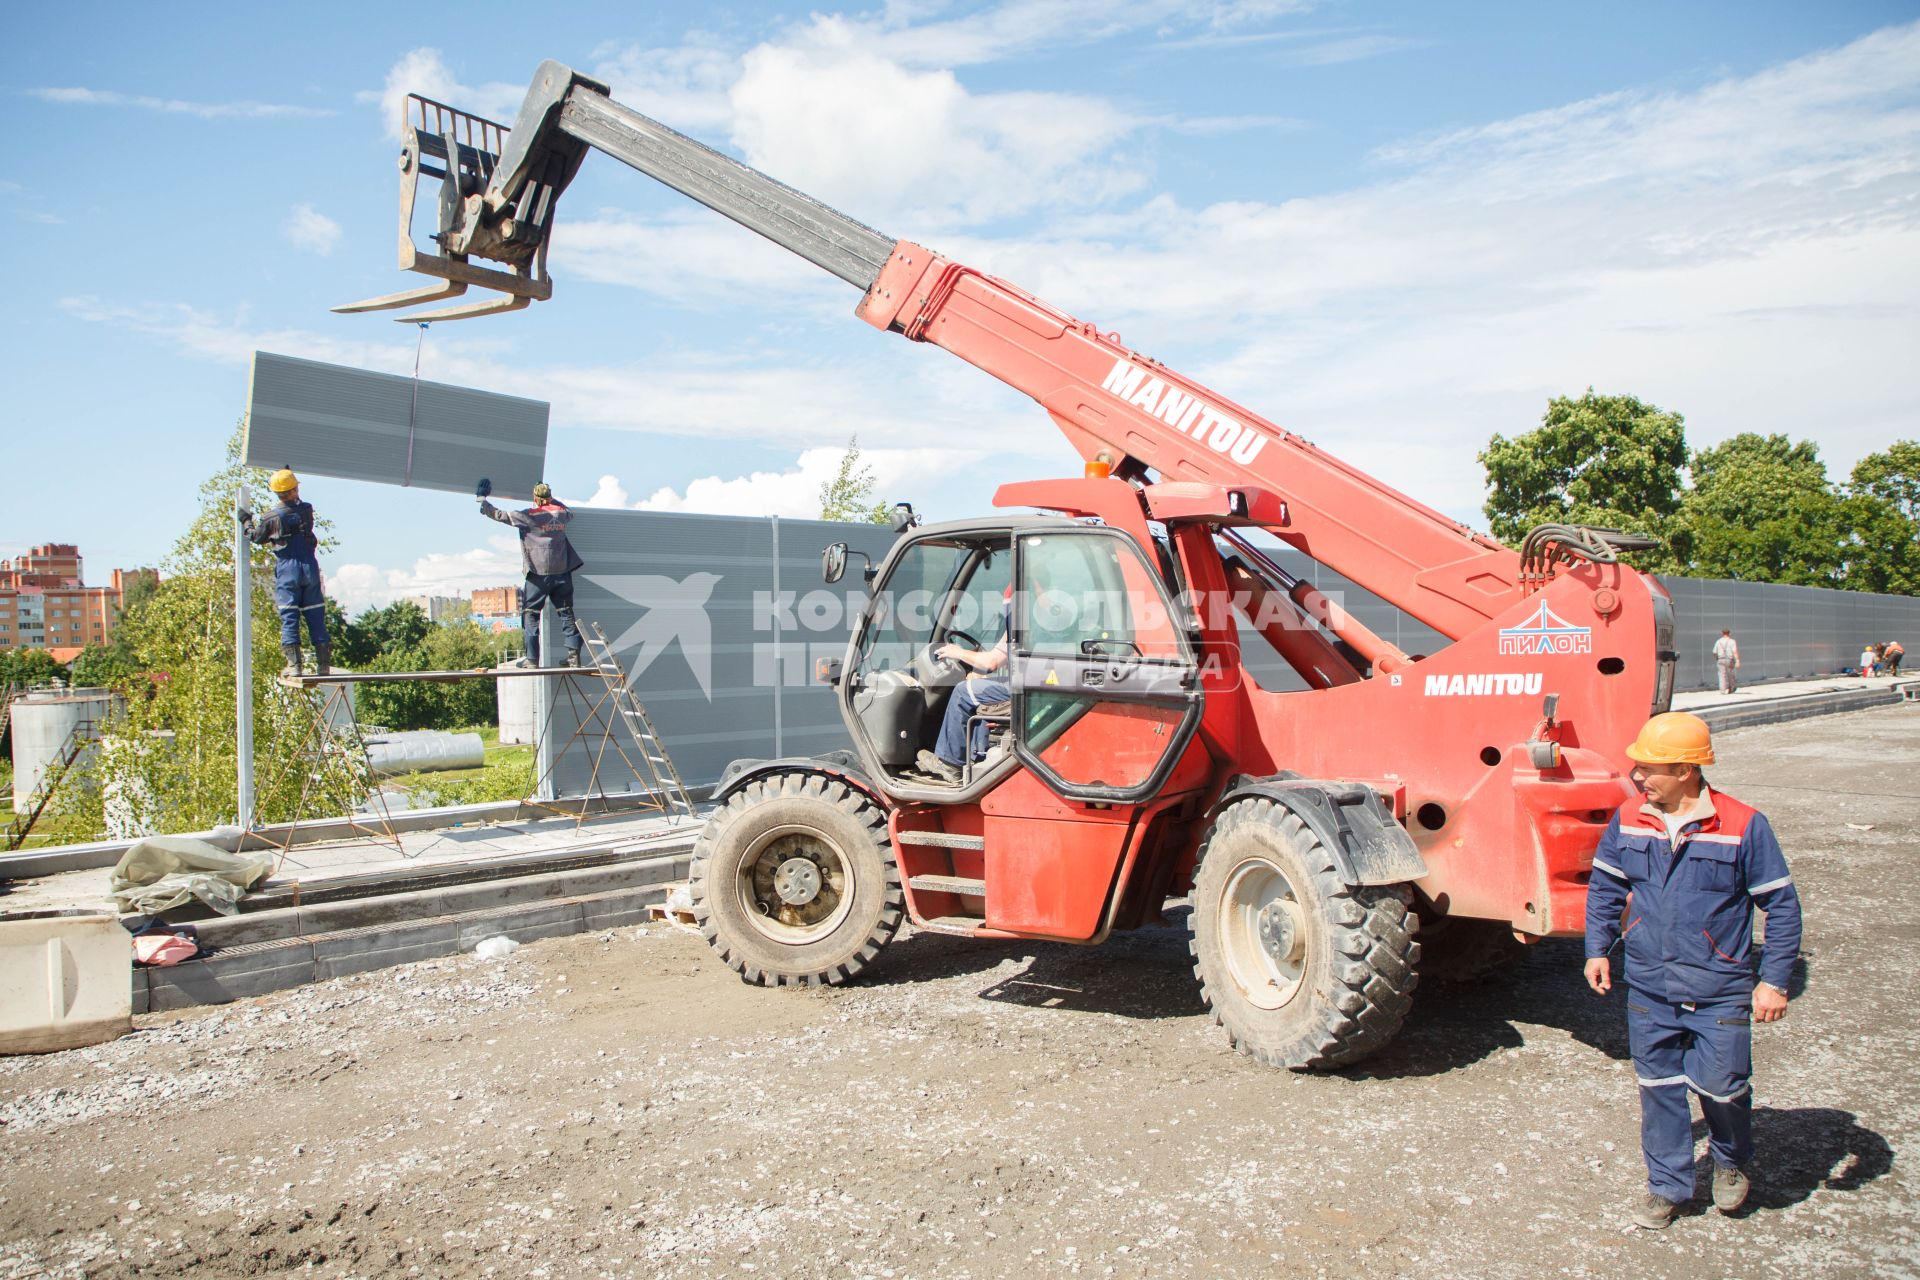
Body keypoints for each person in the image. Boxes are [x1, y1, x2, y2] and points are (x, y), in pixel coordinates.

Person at [1584, 711, 1803, 1231]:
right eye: (1638, 766)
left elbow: (1782, 906)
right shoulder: (1629, 818)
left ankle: (1729, 1161)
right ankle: (1668, 1186)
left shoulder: (1744, 825)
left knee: (1723, 1088)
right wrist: (1598, 949)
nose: (1638, 776)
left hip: (1719, 988)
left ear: (1688, 770)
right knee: (1657, 1088)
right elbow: (1606, 888)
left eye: (1650, 768)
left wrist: (1772, 980)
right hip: (1648, 985)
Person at [480, 481, 584, 668]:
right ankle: (574, 657)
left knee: (531, 614)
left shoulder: (528, 515)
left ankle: (532, 659)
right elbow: (566, 509)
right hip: (562, 573)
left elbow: (499, 515)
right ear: (550, 496)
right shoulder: (561, 514)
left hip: (538, 573)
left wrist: (483, 501)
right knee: (566, 613)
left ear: (535, 499)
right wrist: (552, 499)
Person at [916, 585, 1012, 784]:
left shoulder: (1021, 621)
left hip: (1024, 687)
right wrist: (976, 666)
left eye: (1007, 606)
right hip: (1029, 682)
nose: (1006, 611)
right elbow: (995, 659)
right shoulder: (1023, 626)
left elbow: (992, 662)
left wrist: (957, 653)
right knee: (978, 687)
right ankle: (976, 756)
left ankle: (950, 764)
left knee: (962, 692)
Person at [242, 468, 330, 675]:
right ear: (293, 490)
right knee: (315, 615)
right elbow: (296, 511)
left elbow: (256, 537)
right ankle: (323, 666)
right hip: (309, 567)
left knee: (290, 617)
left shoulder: (270, 518)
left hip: (288, 569)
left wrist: (246, 521)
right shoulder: (306, 510)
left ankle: (295, 666)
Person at [1712, 629, 1740, 694]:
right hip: (1729, 660)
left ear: (1722, 633)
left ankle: (1722, 690)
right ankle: (1732, 688)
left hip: (1720, 659)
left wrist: (1717, 658)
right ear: (1729, 633)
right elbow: (1734, 651)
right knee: (1730, 675)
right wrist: (1737, 660)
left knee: (1721, 675)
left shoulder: (1718, 641)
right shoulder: (1732, 641)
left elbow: (1714, 652)